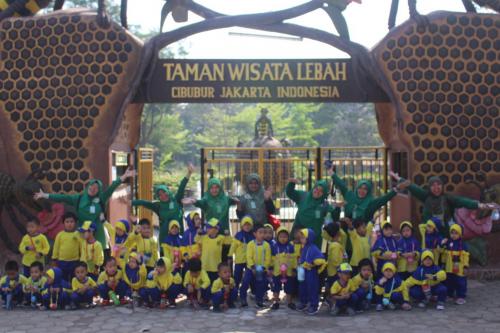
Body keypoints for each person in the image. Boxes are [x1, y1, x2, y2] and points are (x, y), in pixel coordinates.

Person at [35, 168, 136, 249]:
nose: (93, 189)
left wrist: (124, 176)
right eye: (92, 186)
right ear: (88, 186)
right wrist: (45, 195)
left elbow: (112, 187)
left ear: (99, 190)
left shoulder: (102, 198)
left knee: (98, 255)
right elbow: (62, 197)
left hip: (98, 232)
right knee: (83, 254)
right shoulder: (78, 198)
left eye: (96, 188)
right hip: (82, 231)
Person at [390, 172, 494, 237]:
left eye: (438, 185)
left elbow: (463, 201)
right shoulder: (426, 196)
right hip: (430, 232)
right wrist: (399, 179)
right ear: (429, 187)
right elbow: (412, 187)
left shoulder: (448, 198)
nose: (436, 188)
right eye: (433, 186)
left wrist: (482, 205)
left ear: (442, 186)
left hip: (445, 233)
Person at [133, 164, 193, 243]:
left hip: (179, 240)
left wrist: (189, 173)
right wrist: (131, 202)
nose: (163, 196)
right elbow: (144, 203)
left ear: (167, 191)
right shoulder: (158, 206)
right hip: (165, 241)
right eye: (160, 195)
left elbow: (182, 186)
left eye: (164, 192)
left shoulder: (176, 200)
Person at [184, 178, 239, 262]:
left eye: (216, 187)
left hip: (224, 233)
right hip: (211, 235)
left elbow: (237, 201)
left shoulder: (226, 199)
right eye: (212, 188)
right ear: (209, 189)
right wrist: (193, 201)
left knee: (225, 258)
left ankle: (226, 274)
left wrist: (237, 200)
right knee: (213, 258)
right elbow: (199, 202)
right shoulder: (206, 200)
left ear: (220, 188)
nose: (214, 190)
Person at [286, 178, 340, 248]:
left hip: (314, 239)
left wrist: (338, 207)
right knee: (296, 256)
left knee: (313, 257)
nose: (317, 192)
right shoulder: (303, 196)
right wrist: (292, 183)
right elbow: (290, 193)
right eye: (316, 189)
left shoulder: (324, 205)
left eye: (321, 191)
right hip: (299, 234)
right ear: (314, 188)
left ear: (323, 194)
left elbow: (335, 217)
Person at [330, 167, 397, 222]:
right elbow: (341, 185)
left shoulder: (371, 202)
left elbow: (383, 199)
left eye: (365, 189)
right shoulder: (350, 196)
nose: (362, 191)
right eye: (360, 188)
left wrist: (396, 189)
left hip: (362, 233)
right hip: (347, 231)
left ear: (368, 191)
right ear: (357, 188)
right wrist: (331, 172)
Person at [239, 224, 272, 309]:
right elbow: (248, 256)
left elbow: (268, 258)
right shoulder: (250, 244)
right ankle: (243, 299)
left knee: (261, 284)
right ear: (255, 234)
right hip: (251, 269)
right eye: (260, 232)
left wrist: (264, 267)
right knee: (245, 282)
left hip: (261, 269)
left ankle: (259, 301)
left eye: (263, 233)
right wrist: (252, 267)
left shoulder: (266, 245)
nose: (262, 235)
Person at [296, 228, 327, 315]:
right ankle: (304, 302)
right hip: (302, 271)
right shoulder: (304, 247)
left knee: (312, 288)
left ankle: (313, 305)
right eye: (301, 237)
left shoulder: (314, 248)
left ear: (309, 238)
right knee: (302, 287)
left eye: (303, 237)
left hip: (311, 272)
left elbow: (321, 259)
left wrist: (312, 263)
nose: (301, 239)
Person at [195, 218, 231, 282]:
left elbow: (228, 242)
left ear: (216, 230)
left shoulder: (220, 238)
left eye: (209, 227)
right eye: (207, 227)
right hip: (205, 266)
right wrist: (198, 234)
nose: (207, 229)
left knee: (215, 284)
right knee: (205, 283)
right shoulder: (204, 237)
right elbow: (196, 240)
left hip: (216, 267)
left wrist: (227, 235)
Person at [270, 226, 296, 310]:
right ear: (277, 237)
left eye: (285, 236)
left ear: (288, 237)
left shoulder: (290, 247)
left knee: (289, 287)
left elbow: (293, 258)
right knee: (276, 287)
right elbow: (272, 258)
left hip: (288, 272)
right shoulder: (274, 246)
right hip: (277, 272)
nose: (283, 238)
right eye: (281, 236)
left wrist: (294, 269)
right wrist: (270, 268)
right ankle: (276, 302)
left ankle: (289, 302)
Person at [442, 224, 469, 305]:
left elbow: (466, 256)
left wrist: (465, 266)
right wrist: (443, 263)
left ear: (460, 234)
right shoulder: (448, 243)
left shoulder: (463, 245)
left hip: (459, 268)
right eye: (452, 233)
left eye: (456, 233)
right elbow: (444, 254)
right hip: (449, 268)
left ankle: (461, 296)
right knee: (449, 282)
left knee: (460, 282)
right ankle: (449, 295)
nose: (453, 235)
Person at [52, 212, 81, 282]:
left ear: (75, 223)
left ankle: (73, 290)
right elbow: (56, 247)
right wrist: (54, 259)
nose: (69, 224)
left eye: (71, 222)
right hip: (62, 261)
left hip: (75, 261)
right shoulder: (60, 235)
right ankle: (64, 290)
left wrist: (82, 259)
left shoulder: (78, 234)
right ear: (63, 223)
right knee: (63, 278)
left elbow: (81, 247)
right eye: (67, 222)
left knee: (74, 279)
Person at [228, 216, 255, 290]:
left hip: (249, 261)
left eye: (249, 225)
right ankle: (235, 289)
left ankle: (252, 290)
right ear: (242, 226)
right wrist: (230, 255)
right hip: (239, 260)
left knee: (251, 276)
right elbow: (233, 246)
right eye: (245, 225)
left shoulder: (253, 236)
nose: (247, 227)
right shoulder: (238, 235)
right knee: (237, 276)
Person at [323, 222, 347, 302]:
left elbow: (343, 236)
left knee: (335, 289)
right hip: (336, 272)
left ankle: (334, 303)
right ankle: (334, 304)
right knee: (336, 290)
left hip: (334, 272)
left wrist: (337, 227)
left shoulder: (335, 244)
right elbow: (336, 261)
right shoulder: (336, 245)